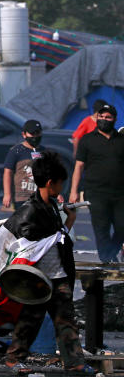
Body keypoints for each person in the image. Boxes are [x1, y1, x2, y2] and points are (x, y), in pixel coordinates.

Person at [3, 151, 92, 375]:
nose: (61, 189)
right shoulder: (30, 211)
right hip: (38, 277)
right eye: (60, 184)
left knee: (66, 320)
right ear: (51, 183)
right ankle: (14, 359)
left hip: (58, 273)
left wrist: (69, 220)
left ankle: (74, 362)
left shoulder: (52, 207)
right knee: (30, 320)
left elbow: (56, 240)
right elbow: (25, 245)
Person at [70, 102, 124, 262]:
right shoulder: (87, 140)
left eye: (108, 117)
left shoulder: (121, 140)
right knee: (101, 228)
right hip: (96, 192)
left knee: (122, 226)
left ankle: (111, 252)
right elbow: (79, 166)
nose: (104, 119)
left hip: (120, 193)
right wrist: (74, 191)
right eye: (101, 116)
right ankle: (106, 259)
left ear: (114, 119)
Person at [2, 119, 44, 209]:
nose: (35, 136)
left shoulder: (44, 151)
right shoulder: (16, 151)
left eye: (38, 133)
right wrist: (7, 194)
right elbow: (7, 172)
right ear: (24, 135)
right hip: (22, 197)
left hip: (40, 196)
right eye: (32, 134)